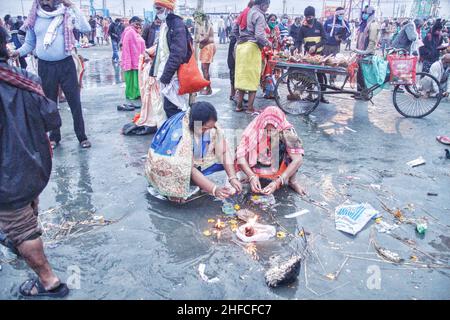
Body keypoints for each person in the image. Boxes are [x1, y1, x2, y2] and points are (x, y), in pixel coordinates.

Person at [0, 26, 69, 298]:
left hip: (8, 175)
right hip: (36, 164)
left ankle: (50, 281)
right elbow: (52, 119)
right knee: (27, 210)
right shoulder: (25, 78)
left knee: (22, 227)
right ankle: (20, 239)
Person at [12, 0, 92, 149]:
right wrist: (17, 53)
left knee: (74, 102)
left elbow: (85, 28)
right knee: (49, 103)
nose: (46, 1)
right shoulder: (34, 17)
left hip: (66, 64)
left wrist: (73, 6)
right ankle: (54, 136)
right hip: (45, 66)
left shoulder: (66, 14)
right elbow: (29, 44)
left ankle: (82, 137)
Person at [145, 101, 242, 203]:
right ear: (194, 124)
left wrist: (233, 178)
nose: (208, 131)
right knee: (180, 169)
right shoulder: (181, 134)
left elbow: (223, 152)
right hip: (166, 165)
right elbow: (187, 167)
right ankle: (174, 189)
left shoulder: (209, 125)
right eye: (204, 129)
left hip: (188, 157)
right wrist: (214, 189)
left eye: (210, 127)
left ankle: (195, 179)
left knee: (217, 145)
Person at [236, 106, 306, 196]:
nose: (269, 133)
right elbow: (240, 155)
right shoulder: (256, 126)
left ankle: (292, 181)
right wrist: (251, 176)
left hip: (277, 158)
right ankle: (255, 174)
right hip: (262, 157)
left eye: (273, 130)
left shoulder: (287, 131)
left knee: (295, 151)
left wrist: (278, 182)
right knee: (243, 149)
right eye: (266, 130)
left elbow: (298, 160)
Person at [150, 0, 191, 119]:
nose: (157, 12)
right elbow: (161, 51)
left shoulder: (176, 24)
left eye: (159, 9)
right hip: (167, 74)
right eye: (156, 9)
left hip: (174, 76)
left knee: (175, 108)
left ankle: (180, 135)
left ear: (168, 9)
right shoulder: (166, 24)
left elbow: (178, 53)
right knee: (169, 108)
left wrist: (166, 76)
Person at [234, 0, 271, 113]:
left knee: (241, 78)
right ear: (262, 4)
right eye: (267, 6)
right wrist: (268, 43)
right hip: (251, 49)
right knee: (252, 79)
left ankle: (238, 106)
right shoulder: (259, 15)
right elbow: (259, 35)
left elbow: (235, 30)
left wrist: (241, 39)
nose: (267, 9)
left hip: (241, 48)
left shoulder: (245, 12)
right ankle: (250, 108)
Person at [298, 6, 329, 103]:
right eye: (307, 17)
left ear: (314, 16)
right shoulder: (303, 27)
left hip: (319, 55)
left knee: (321, 76)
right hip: (309, 56)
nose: (308, 19)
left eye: (310, 17)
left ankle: (321, 96)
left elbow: (325, 39)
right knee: (308, 76)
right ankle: (310, 95)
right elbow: (298, 41)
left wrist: (316, 46)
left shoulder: (319, 25)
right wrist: (296, 48)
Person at [354, 5, 380, 93]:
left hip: (366, 53)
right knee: (360, 73)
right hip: (361, 53)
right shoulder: (364, 23)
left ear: (371, 14)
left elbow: (372, 40)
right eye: (363, 12)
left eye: (366, 13)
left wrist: (366, 52)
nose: (364, 14)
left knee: (363, 74)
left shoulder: (372, 24)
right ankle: (359, 92)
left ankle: (363, 93)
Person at [323, 7, 351, 85]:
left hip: (336, 47)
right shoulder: (328, 21)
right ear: (337, 14)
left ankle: (332, 80)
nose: (341, 15)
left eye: (343, 14)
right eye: (340, 14)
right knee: (324, 63)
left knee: (335, 64)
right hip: (326, 46)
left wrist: (341, 38)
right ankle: (322, 79)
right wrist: (330, 36)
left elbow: (348, 33)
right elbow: (323, 32)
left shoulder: (344, 23)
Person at [120, 16, 146, 101]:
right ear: (132, 23)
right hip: (132, 59)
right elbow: (126, 48)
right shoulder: (130, 32)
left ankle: (136, 93)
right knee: (132, 79)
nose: (139, 25)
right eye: (137, 23)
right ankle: (132, 94)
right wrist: (128, 61)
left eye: (140, 23)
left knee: (137, 78)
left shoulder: (135, 32)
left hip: (137, 59)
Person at [196, 13, 216, 95]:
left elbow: (206, 38)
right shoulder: (204, 25)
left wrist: (197, 40)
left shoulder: (207, 25)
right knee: (203, 68)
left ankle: (208, 89)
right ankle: (207, 87)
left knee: (205, 69)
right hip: (206, 48)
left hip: (208, 48)